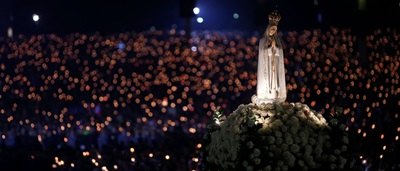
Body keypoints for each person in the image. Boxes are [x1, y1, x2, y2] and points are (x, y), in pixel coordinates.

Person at [253, 10, 287, 104]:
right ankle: (267, 93)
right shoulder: (263, 40)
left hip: (274, 64)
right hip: (267, 63)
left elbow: (280, 52)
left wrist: (275, 48)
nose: (273, 31)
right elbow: (262, 52)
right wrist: (269, 48)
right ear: (268, 29)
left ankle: (275, 93)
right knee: (268, 80)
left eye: (275, 30)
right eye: (272, 29)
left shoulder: (277, 40)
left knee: (274, 80)